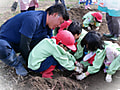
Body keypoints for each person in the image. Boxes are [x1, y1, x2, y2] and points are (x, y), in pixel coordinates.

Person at [0, 4, 69, 76]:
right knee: (2, 47)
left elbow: (50, 42)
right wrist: (29, 62)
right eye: (60, 22)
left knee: (44, 39)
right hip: (6, 41)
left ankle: (22, 58)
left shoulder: (48, 25)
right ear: (54, 15)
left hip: (20, 43)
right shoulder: (33, 19)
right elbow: (24, 44)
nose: (59, 26)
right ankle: (17, 64)